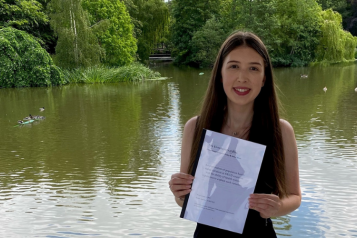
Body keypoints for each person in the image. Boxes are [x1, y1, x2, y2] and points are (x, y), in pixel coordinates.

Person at [168, 31, 301, 237]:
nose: (242, 77)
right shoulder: (194, 127)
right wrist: (179, 191)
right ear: (220, 74)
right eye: (234, 66)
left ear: (264, 78)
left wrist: (277, 207)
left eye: (253, 68)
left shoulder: (281, 131)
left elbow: (294, 196)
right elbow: (183, 199)